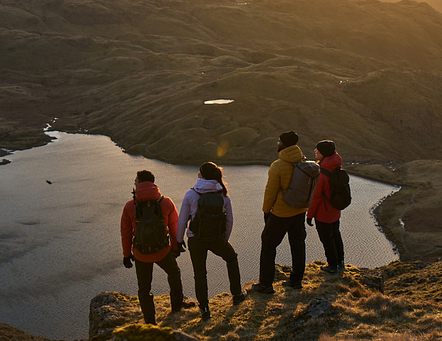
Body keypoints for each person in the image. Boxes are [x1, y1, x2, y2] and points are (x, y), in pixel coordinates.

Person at [176, 162, 245, 319]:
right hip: (216, 239)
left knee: (200, 274)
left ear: (200, 174)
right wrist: (223, 239)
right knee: (231, 258)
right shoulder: (223, 194)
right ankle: (237, 294)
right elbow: (229, 221)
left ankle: (205, 309)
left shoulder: (191, 194)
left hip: (196, 240)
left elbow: (182, 221)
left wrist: (178, 241)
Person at [120, 170, 184, 324]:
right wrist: (175, 247)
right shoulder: (166, 202)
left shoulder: (130, 206)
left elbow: (126, 233)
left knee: (144, 288)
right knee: (174, 274)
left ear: (139, 183)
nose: (134, 182)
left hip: (141, 253)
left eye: (136, 180)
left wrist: (126, 255)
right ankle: (176, 307)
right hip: (162, 250)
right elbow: (175, 228)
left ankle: (150, 321)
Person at [254, 131, 309, 294]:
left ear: (284, 144)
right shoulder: (303, 162)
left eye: (279, 141)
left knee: (268, 245)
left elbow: (270, 191)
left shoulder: (278, 165)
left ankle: (265, 285)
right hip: (299, 211)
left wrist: (266, 211)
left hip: (280, 213)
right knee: (298, 245)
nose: (277, 143)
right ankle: (296, 280)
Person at [307, 140, 345, 274]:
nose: (315, 151)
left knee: (326, 240)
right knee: (336, 235)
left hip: (323, 213)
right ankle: (340, 263)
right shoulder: (336, 166)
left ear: (324, 153)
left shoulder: (322, 173)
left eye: (318, 150)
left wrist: (309, 215)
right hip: (335, 210)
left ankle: (332, 266)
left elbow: (316, 197)